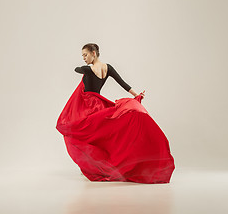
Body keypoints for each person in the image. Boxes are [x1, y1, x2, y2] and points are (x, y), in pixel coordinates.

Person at [56, 43, 175, 184]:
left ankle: (93, 168)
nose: (84, 58)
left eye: (85, 55)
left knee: (77, 131)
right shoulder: (108, 68)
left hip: (87, 106)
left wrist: (84, 69)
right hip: (99, 105)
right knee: (97, 136)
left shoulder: (87, 70)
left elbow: (77, 69)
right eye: (82, 56)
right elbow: (122, 83)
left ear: (94, 53)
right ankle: (94, 167)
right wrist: (137, 94)